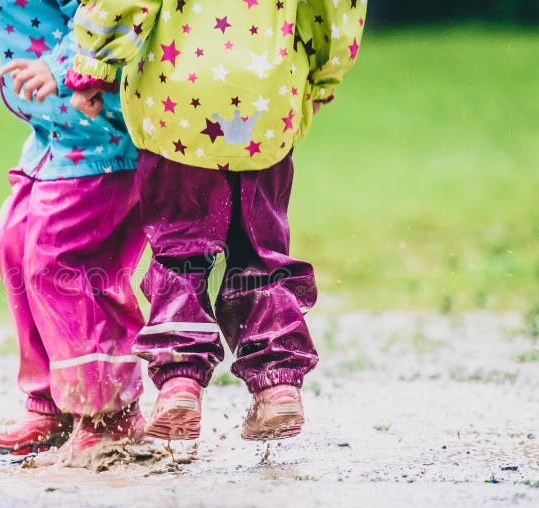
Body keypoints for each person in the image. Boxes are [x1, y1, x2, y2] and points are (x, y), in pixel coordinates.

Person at [67, 0, 367, 441]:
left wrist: (97, 59)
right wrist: (324, 75)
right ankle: (277, 385)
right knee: (261, 252)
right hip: (266, 103)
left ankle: (180, 383)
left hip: (179, 103)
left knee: (180, 250)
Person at [0, 0, 147, 460]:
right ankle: (53, 401)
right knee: (14, 242)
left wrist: (60, 64)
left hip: (100, 133)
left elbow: (110, 8)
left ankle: (109, 413)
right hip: (55, 136)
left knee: (58, 257)